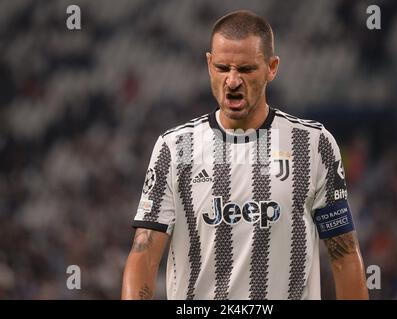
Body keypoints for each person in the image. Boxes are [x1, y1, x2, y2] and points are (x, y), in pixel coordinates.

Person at [121, 10, 369, 300]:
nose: (233, 81)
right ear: (209, 64)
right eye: (223, 68)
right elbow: (144, 255)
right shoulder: (175, 147)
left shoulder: (313, 145)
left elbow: (344, 256)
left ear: (272, 68)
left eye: (246, 69)